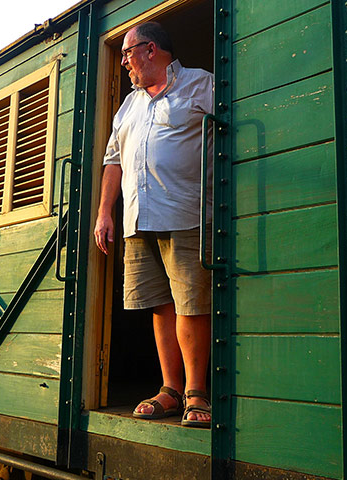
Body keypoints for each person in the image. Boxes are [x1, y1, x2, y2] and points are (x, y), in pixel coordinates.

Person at [93, 22, 213, 428]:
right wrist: (104, 212)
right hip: (138, 219)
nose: (124, 61)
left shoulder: (200, 84)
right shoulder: (129, 105)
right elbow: (113, 160)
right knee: (158, 304)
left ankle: (197, 392)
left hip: (187, 213)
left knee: (191, 303)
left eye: (128, 53)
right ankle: (171, 389)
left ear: (150, 50)